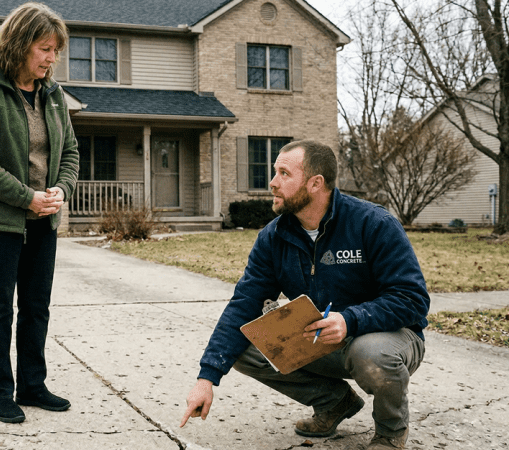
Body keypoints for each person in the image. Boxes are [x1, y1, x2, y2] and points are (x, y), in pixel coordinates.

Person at [180, 140, 429, 450]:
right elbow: (244, 304)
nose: (272, 183)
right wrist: (207, 377)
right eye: (274, 172)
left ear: (315, 183)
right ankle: (335, 402)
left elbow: (412, 299)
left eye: (284, 173)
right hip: (321, 338)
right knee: (244, 343)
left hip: (387, 337)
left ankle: (390, 433)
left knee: (371, 352)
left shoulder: (373, 224)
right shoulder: (273, 237)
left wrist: (350, 320)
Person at [0, 2, 79, 424]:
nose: (51, 58)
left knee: (35, 306)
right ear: (20, 44)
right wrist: (26, 196)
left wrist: (61, 190)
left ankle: (32, 385)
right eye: (44, 48)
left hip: (43, 219)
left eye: (55, 51)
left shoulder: (54, 94)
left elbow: (70, 152)